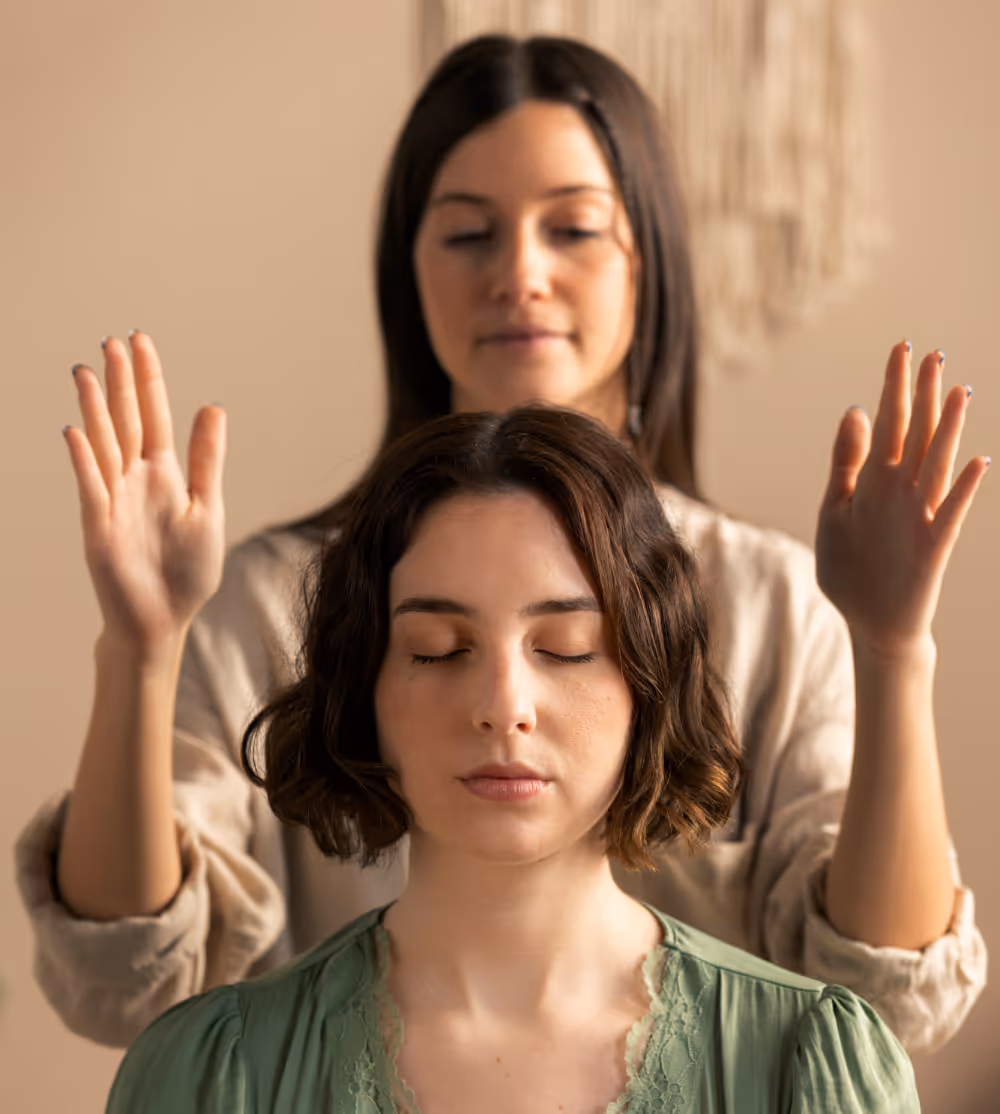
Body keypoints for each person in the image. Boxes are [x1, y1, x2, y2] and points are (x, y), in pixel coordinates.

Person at [16, 34, 986, 1056]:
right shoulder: (268, 605)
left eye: (571, 228)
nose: (520, 275)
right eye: (469, 233)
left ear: (646, 260)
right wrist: (138, 647)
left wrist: (891, 653)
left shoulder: (773, 605)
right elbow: (122, 989)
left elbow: (884, 1000)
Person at [105, 405, 919, 1113]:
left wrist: (901, 652)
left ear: (650, 683)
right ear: (365, 692)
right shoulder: (213, 1076)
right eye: (436, 648)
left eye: (565, 648)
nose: (503, 705)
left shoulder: (804, 1064)